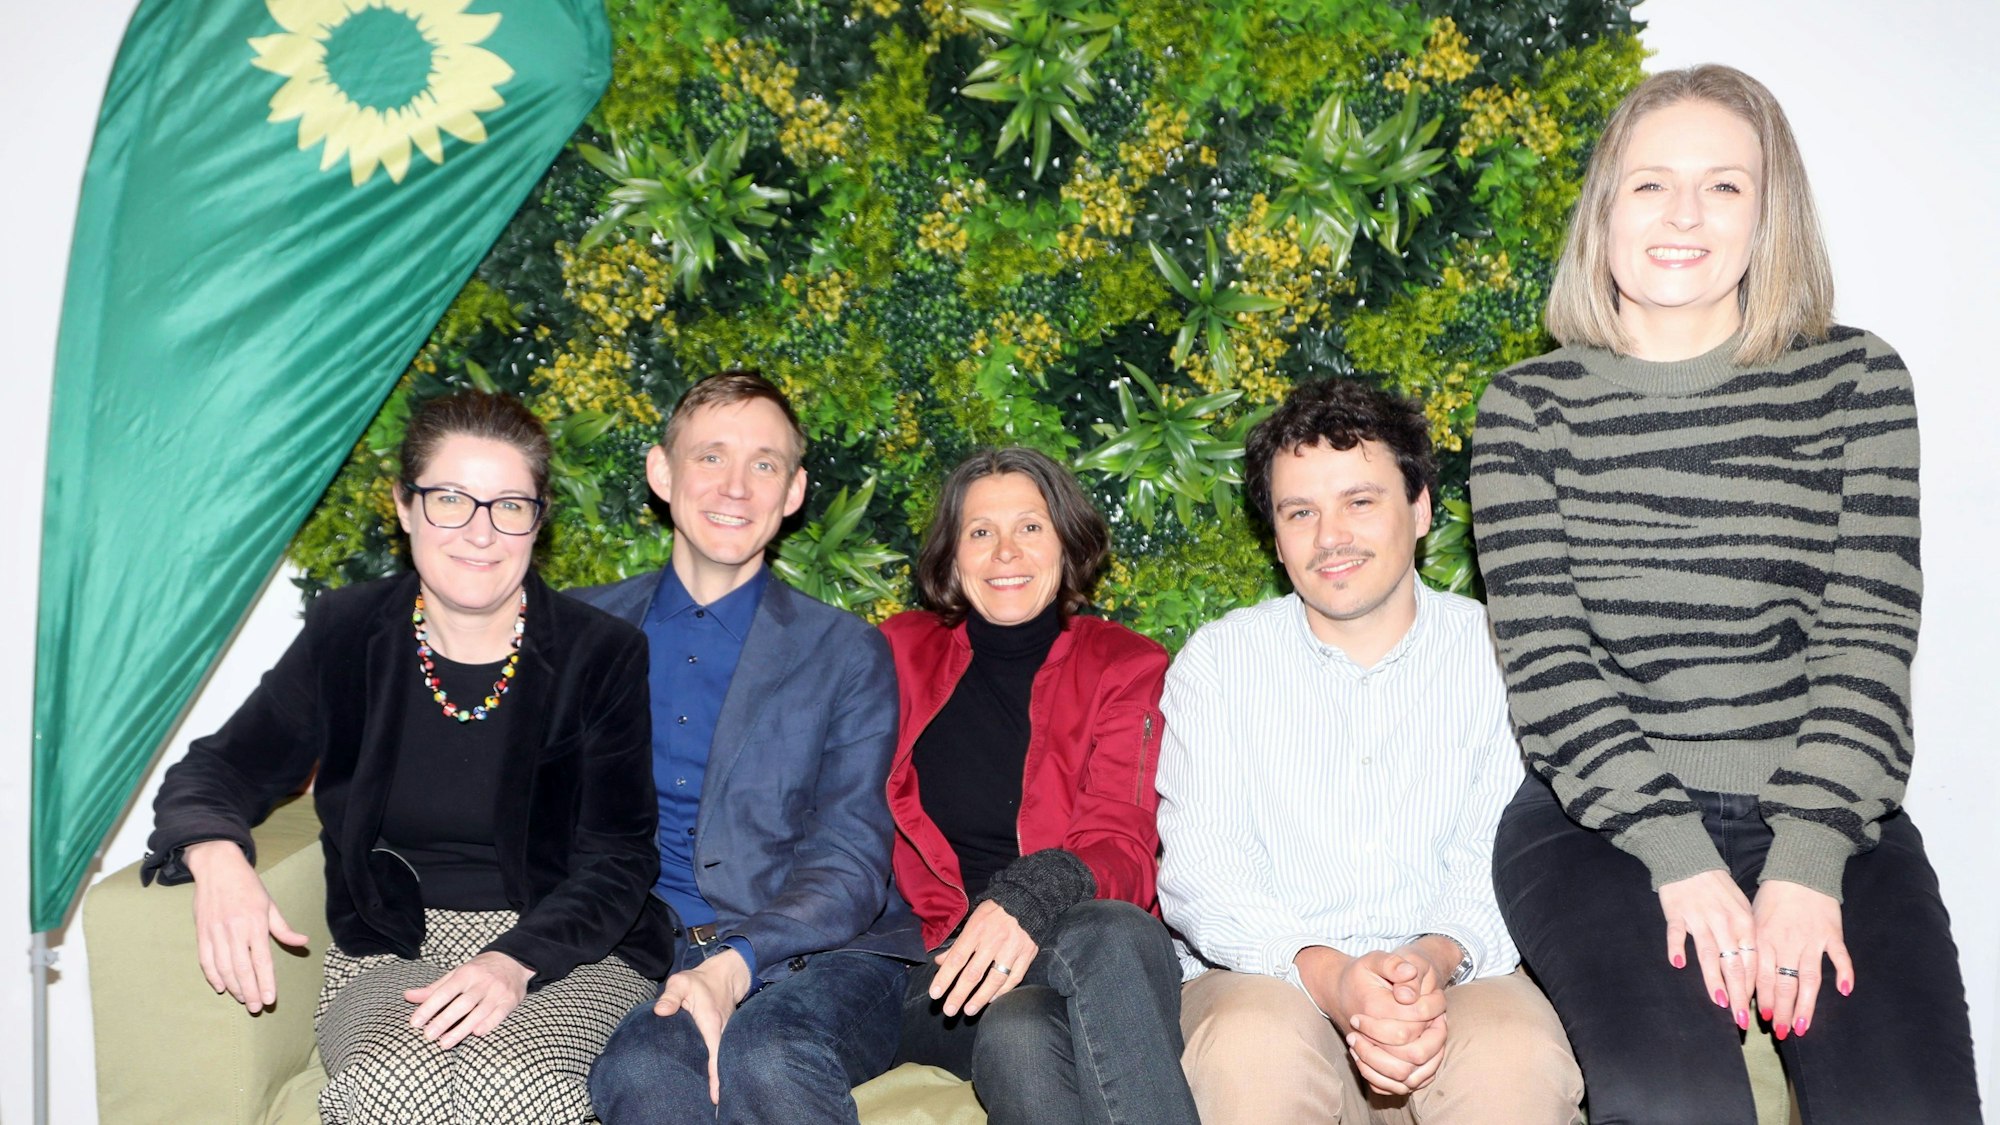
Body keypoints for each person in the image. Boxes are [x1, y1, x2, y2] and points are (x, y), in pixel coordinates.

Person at [1471, 64, 1981, 1124]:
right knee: (1672, 1099)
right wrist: (1678, 858)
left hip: (1828, 813)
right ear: (1603, 206)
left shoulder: (1856, 383)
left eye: (1723, 186)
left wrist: (1801, 863)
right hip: (1598, 826)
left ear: (1768, 212)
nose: (1682, 217)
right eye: (1648, 184)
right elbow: (1549, 664)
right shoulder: (1526, 408)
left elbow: (1867, 639)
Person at [144, 390, 663, 1124]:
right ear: (405, 505)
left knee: (513, 1083)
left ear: (536, 521)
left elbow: (620, 856)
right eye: (451, 498)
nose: (480, 532)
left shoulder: (600, 654)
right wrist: (217, 855)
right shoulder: (347, 634)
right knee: (390, 1082)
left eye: (509, 504)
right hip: (395, 945)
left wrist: (513, 959)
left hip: (566, 946)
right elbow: (218, 768)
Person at [1156, 378, 1582, 1125]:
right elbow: (1203, 869)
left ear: (1418, 508)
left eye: (1360, 501)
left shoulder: (1501, 655)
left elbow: (1508, 846)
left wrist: (1433, 957)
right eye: (1300, 512)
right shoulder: (1219, 662)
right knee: (1251, 1047)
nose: (1330, 537)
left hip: (1462, 973)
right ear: (1275, 535)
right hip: (1270, 978)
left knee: (1515, 1058)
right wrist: (1331, 974)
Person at [580, 370, 923, 1125]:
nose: (736, 486)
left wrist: (736, 962)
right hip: (653, 950)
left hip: (831, 953)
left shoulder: (845, 652)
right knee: (641, 1067)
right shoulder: (579, 633)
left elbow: (850, 859)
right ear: (661, 472)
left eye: (764, 463)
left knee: (765, 1054)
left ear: (793, 491)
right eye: (711, 456)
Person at [881, 447, 1201, 1125]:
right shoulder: (895, 654)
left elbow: (1124, 845)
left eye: (1029, 526)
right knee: (1097, 944)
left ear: (1065, 540)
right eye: (980, 531)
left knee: (1028, 1029)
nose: (1005, 553)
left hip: (1081, 951)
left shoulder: (1125, 663)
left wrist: (1031, 895)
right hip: (942, 977)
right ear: (951, 555)